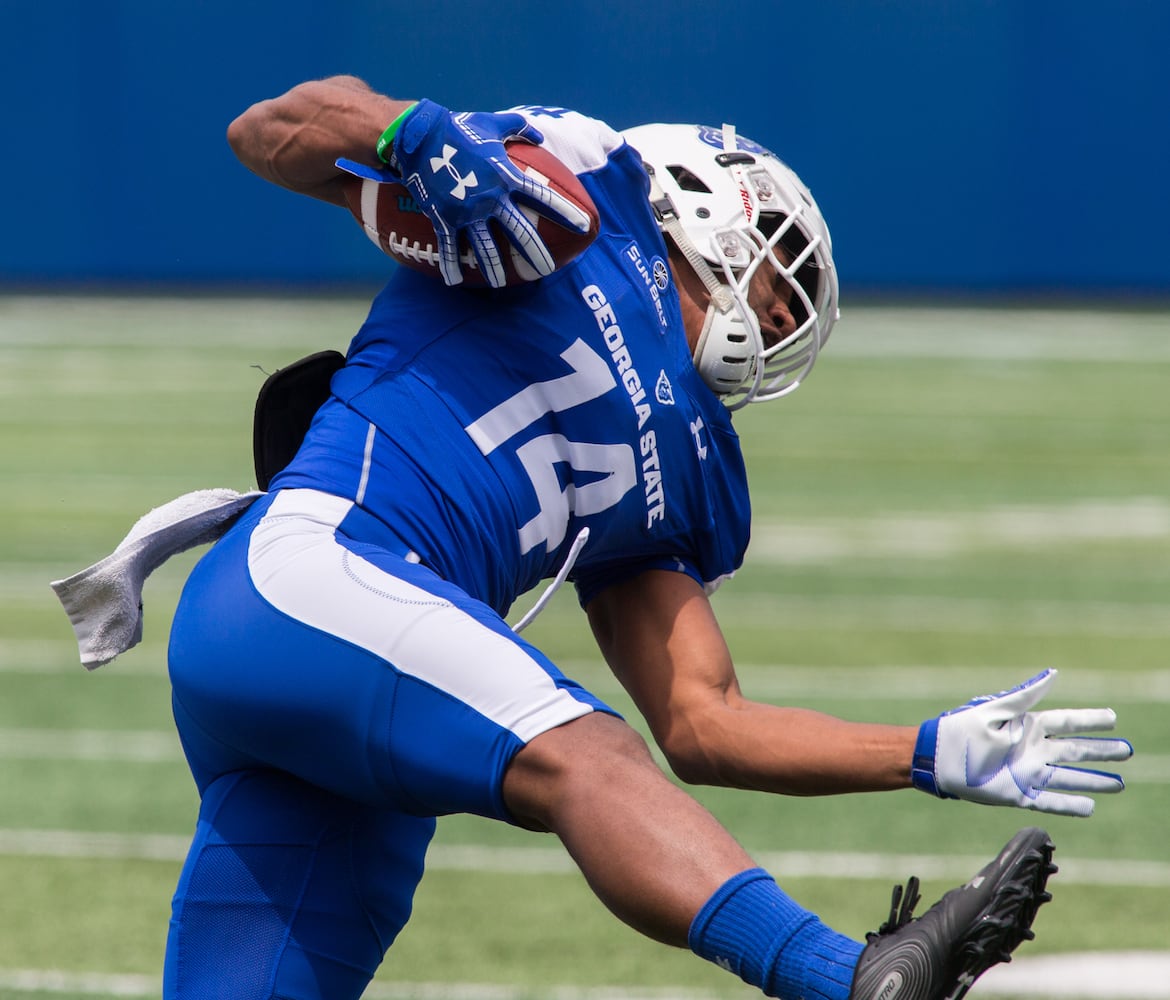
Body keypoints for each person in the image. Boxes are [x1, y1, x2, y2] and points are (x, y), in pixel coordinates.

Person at [57, 76, 1133, 1000]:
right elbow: (266, 132)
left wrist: (925, 751)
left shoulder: (686, 476)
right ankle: (846, 977)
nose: (783, 309)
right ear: (704, 211)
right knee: (585, 751)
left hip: (329, 683)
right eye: (774, 269)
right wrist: (408, 130)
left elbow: (706, 723)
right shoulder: (570, 206)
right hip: (316, 572)